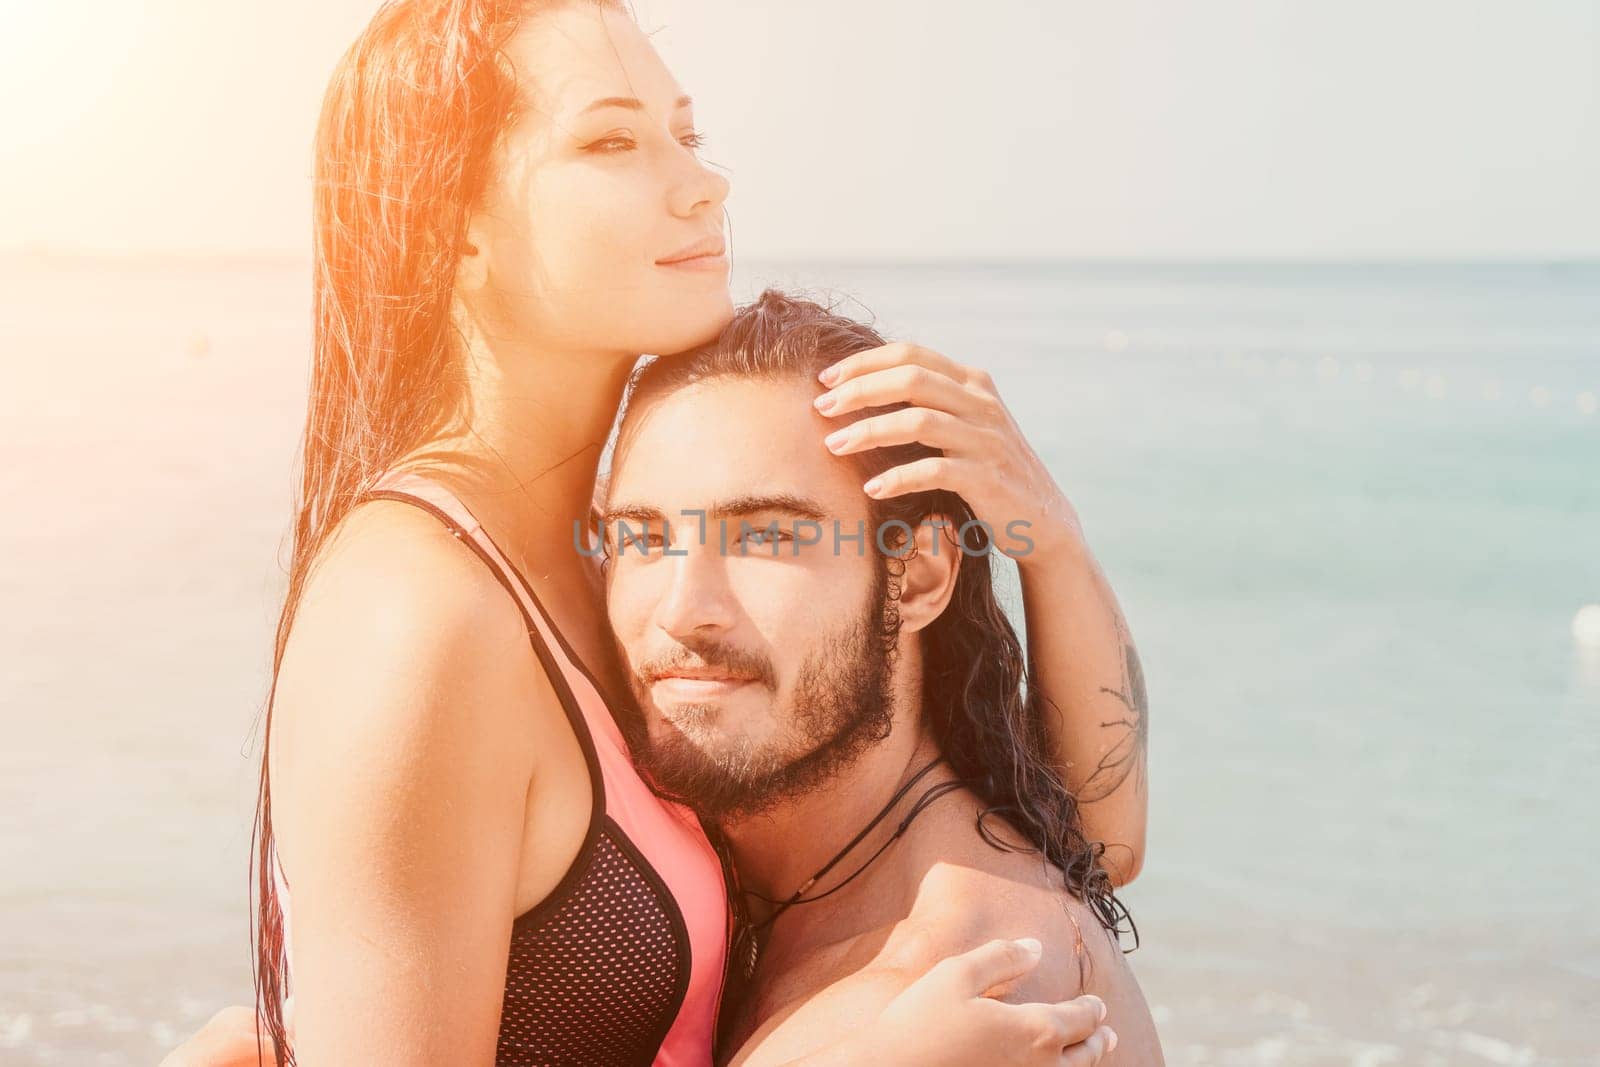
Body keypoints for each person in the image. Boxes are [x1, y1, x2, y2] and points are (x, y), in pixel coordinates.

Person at [163, 0, 1149, 1063]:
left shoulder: (596, 556)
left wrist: (1045, 533)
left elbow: (1091, 839)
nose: (703, 182)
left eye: (688, 134)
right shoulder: (422, 613)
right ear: (452, 222)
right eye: (612, 140)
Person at [598, 290, 1162, 1065]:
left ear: (920, 575)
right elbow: (1106, 839)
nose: (682, 609)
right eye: (642, 535)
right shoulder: (789, 881)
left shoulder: (961, 999)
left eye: (765, 535)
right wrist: (1052, 540)